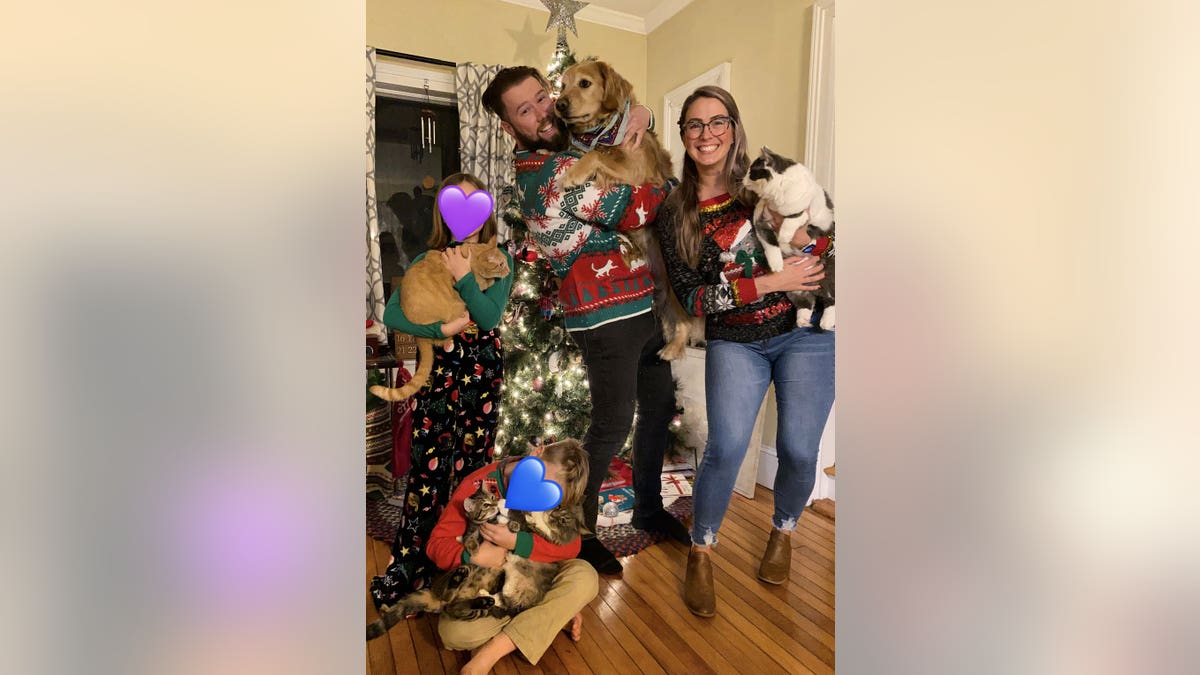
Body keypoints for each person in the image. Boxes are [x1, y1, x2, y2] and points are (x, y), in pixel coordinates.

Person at [481, 66, 690, 576]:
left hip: (646, 304)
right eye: (525, 110)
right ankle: (584, 532)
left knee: (658, 410)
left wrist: (637, 117)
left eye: (541, 97)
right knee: (612, 425)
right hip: (605, 316)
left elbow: (621, 134)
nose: (544, 111)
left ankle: (647, 508)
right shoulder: (544, 176)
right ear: (510, 128)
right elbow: (634, 206)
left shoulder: (573, 147)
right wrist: (663, 187)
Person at [656, 86, 834, 617]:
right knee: (727, 448)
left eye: (718, 122)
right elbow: (692, 297)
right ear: (683, 136)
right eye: (694, 125)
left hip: (807, 335)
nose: (707, 133)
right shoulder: (674, 213)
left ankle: (783, 532)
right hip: (737, 340)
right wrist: (773, 280)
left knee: (802, 451)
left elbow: (829, 232)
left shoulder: (767, 185)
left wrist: (809, 246)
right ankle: (702, 551)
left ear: (734, 127)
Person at [369, 172, 515, 609]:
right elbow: (394, 314)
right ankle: (413, 564)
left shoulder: (499, 256)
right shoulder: (428, 258)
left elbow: (489, 319)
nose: (464, 213)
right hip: (440, 372)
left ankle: (465, 568)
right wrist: (439, 327)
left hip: (482, 374)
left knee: (473, 472)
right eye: (456, 203)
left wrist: (465, 276)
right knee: (427, 474)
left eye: (474, 202)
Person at [429, 441, 597, 675]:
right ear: (537, 452)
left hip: (536, 577)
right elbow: (436, 545)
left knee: (586, 577)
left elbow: (571, 547)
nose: (539, 498)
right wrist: (473, 556)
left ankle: (491, 651)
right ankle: (549, 615)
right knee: (453, 634)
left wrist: (519, 543)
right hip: (491, 587)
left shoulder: (560, 488)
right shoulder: (477, 485)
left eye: (549, 497)